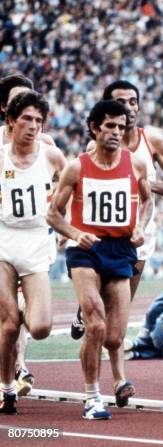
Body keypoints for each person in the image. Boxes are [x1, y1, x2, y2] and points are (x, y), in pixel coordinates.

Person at [70, 79, 163, 407]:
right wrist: (74, 232)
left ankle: (91, 322)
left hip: (133, 239)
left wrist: (142, 197)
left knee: (115, 328)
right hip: (92, 242)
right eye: (119, 103)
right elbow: (68, 201)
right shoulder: (88, 157)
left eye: (132, 102)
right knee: (98, 321)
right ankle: (112, 383)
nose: (127, 109)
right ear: (100, 121)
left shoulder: (150, 142)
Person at [46, 100, 152, 420]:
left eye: (121, 127)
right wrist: (76, 233)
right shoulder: (77, 167)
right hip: (86, 251)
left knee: (115, 336)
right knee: (95, 325)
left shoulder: (135, 164)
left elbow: (147, 202)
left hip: (121, 249)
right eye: (109, 126)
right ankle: (92, 396)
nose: (116, 133)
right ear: (94, 127)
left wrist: (141, 226)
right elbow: (53, 214)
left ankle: (107, 378)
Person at [0, 91, 66, 414]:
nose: (33, 126)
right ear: (11, 121)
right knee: (9, 324)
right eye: (26, 118)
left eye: (38, 120)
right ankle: (6, 388)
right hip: (3, 239)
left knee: (40, 327)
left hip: (37, 240)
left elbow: (75, 187)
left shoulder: (51, 157)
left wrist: (68, 225)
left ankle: (24, 305)